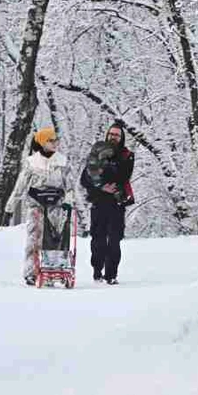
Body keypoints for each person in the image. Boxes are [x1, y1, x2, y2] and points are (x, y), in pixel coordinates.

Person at [5, 126, 76, 285]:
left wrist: (69, 201)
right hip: (36, 203)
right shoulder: (32, 162)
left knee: (54, 238)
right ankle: (31, 271)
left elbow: (70, 185)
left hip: (56, 205)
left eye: (56, 140)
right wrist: (10, 207)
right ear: (43, 142)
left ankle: (51, 269)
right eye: (51, 140)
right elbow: (21, 185)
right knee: (34, 238)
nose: (55, 143)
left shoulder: (62, 162)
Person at [80, 121, 135, 285]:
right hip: (98, 200)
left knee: (114, 239)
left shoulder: (127, 155)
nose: (113, 137)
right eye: (111, 134)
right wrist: (102, 186)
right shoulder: (95, 152)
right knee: (98, 239)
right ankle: (97, 271)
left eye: (117, 135)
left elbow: (123, 175)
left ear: (122, 138)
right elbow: (85, 179)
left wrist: (105, 171)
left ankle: (111, 274)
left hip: (117, 202)